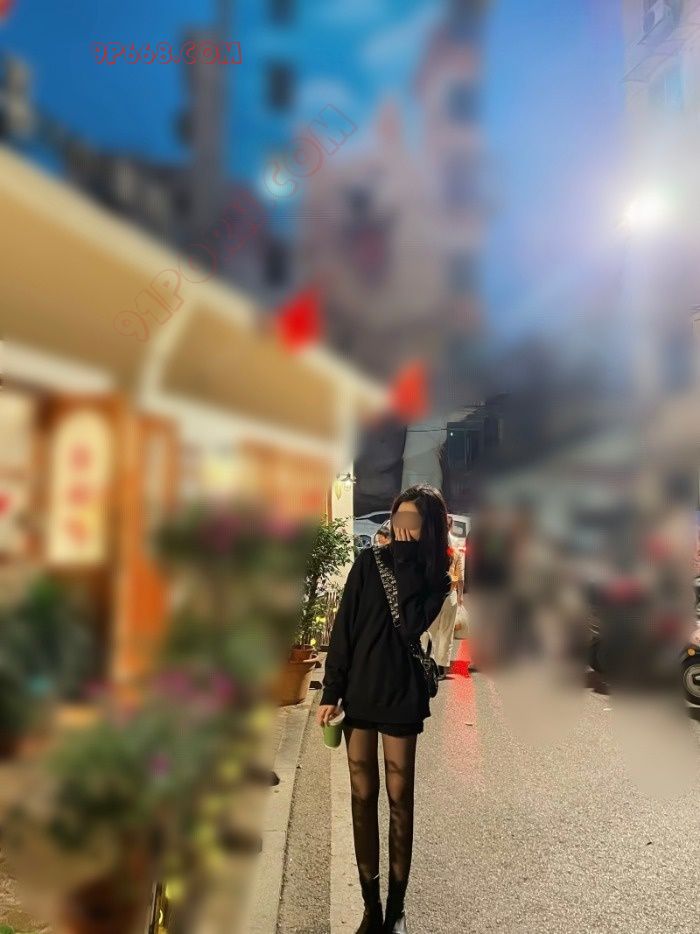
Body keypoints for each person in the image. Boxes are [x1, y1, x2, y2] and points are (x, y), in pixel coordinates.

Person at [317, 485, 450, 933]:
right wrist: (331, 691)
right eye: (399, 518)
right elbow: (344, 629)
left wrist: (408, 560)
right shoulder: (367, 563)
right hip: (360, 693)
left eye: (413, 521)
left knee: (399, 801)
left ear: (428, 528)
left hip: (400, 697)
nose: (403, 527)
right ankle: (370, 907)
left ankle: (396, 909)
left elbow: (411, 624)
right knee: (361, 796)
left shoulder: (435, 577)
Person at [420, 517, 464, 678]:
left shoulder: (427, 547)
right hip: (450, 594)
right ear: (450, 527)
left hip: (431, 595)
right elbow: (460, 576)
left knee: (428, 630)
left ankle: (426, 662)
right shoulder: (455, 549)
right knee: (446, 632)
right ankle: (440, 667)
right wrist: (460, 595)